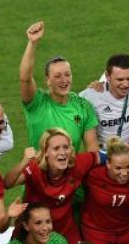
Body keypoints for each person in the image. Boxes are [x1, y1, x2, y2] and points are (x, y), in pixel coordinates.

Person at [4, 128, 105, 244]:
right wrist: (23, 162)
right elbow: (8, 183)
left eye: (66, 147)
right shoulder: (35, 168)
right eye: (56, 148)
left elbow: (104, 156)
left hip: (65, 232)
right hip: (33, 231)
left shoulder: (78, 163)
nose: (62, 152)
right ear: (45, 152)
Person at [19, 21, 99, 152]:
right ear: (48, 80)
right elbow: (25, 79)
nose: (64, 80)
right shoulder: (36, 103)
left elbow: (92, 150)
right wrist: (32, 43)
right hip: (41, 165)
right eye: (57, 76)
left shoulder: (83, 106)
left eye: (67, 74)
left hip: (70, 165)